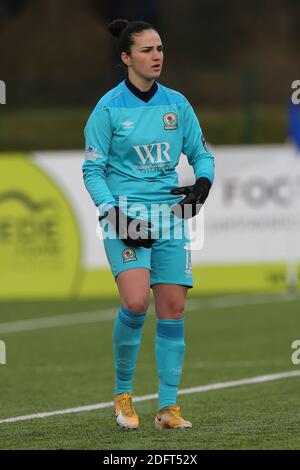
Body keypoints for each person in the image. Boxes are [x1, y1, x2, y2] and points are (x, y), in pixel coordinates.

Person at [82, 18, 214, 429]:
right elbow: (92, 171)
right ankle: (123, 396)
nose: (157, 56)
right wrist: (113, 213)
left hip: (171, 217)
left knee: (173, 309)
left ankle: (169, 409)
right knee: (136, 302)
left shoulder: (177, 104)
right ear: (126, 58)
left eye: (159, 49)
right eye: (146, 50)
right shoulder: (107, 108)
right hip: (126, 216)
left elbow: (201, 154)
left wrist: (203, 183)